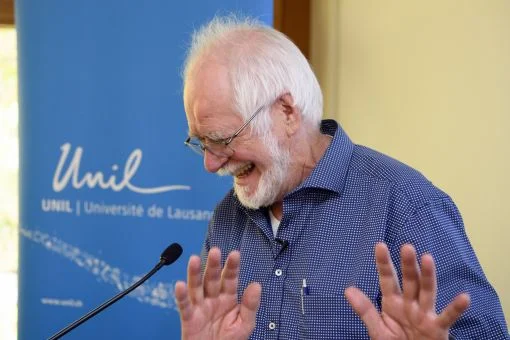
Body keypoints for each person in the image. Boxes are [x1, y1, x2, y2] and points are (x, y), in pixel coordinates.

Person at [174, 16, 509, 339]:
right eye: (201, 143)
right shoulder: (227, 217)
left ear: (287, 113)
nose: (210, 164)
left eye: (222, 139)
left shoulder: (407, 206)